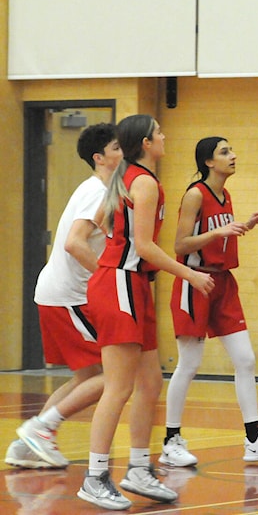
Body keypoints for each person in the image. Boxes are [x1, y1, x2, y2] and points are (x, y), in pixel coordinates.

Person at [79, 114, 215, 511]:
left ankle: (138, 467)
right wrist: (189, 272)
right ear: (145, 142)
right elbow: (145, 245)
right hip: (120, 283)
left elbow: (106, 226)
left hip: (131, 284)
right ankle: (95, 475)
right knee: (118, 386)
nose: (165, 135)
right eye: (158, 132)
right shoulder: (143, 182)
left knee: (150, 382)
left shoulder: (130, 179)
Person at [161, 137, 258, 468]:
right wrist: (218, 235)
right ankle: (170, 441)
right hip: (195, 281)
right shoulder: (195, 194)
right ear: (209, 161)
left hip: (223, 284)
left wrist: (245, 226)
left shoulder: (226, 194)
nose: (233, 155)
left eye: (231, 150)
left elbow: (221, 233)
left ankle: (254, 440)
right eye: (224, 152)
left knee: (246, 359)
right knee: (189, 364)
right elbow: (180, 243)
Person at [7, 123, 121, 470]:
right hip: (68, 295)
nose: (124, 153)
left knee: (88, 377)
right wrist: (109, 277)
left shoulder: (99, 189)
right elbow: (74, 243)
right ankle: (41, 430)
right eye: (117, 148)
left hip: (59, 293)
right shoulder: (97, 192)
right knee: (114, 373)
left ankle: (26, 445)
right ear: (100, 158)